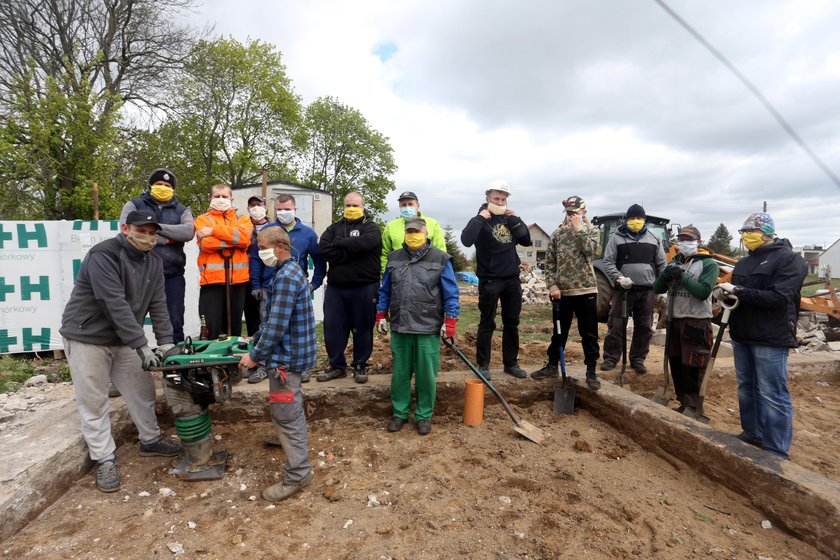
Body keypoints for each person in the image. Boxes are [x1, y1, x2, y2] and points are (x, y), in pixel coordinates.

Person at [60, 211, 183, 493]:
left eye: (153, 232)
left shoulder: (153, 261)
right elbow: (113, 303)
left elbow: (159, 304)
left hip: (123, 339)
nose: (148, 237)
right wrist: (141, 345)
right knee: (93, 401)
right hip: (86, 337)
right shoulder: (104, 255)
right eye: (142, 230)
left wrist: (165, 343)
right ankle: (104, 459)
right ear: (126, 228)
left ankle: (150, 440)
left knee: (142, 391)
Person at [717, 212, 807, 459]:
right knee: (746, 387)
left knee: (772, 392)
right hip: (742, 333)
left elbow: (779, 298)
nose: (746, 237)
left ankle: (776, 449)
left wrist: (739, 290)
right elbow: (740, 295)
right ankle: (752, 433)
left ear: (767, 233)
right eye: (743, 232)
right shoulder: (745, 262)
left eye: (750, 232)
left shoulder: (789, 260)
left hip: (770, 336)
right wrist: (726, 295)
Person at [239, 227, 317, 500]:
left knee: (286, 413)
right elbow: (272, 320)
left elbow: (277, 327)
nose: (260, 253)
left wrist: (254, 356)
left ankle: (298, 475)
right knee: (288, 410)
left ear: (280, 247)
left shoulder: (285, 278)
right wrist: (254, 338)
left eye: (262, 247)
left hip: (285, 358)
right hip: (291, 353)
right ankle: (287, 438)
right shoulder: (290, 271)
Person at [376, 217, 460, 435]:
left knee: (425, 375)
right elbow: (385, 289)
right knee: (400, 374)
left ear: (425, 233)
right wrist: (380, 314)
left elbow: (451, 293)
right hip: (401, 326)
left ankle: (423, 415)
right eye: (409, 231)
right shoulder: (394, 258)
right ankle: (399, 413)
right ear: (404, 233)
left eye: (416, 231)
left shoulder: (441, 259)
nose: (413, 235)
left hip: (427, 326)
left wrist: (450, 321)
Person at [248, 193, 326, 383]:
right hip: (269, 287)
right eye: (280, 209)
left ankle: (299, 367)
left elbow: (319, 261)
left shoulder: (307, 233)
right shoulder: (267, 230)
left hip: (291, 286)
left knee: (292, 328)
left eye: (287, 209)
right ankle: (264, 366)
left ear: (295, 209)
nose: (283, 212)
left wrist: (313, 284)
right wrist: (256, 285)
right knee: (267, 324)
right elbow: (256, 259)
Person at [460, 179, 531, 379]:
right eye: (496, 198)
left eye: (503, 199)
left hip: (511, 280)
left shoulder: (509, 219)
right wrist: (481, 218)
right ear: (488, 198)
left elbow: (526, 240)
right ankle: (483, 365)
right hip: (490, 280)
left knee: (512, 322)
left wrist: (518, 219)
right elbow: (466, 240)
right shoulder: (480, 219)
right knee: (487, 323)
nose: (500, 202)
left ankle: (511, 364)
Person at [531, 196, 601, 389]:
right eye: (569, 213)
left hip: (586, 289)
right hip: (563, 293)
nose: (572, 216)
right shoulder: (558, 234)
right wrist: (552, 286)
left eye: (575, 212)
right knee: (559, 333)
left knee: (589, 333)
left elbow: (592, 251)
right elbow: (550, 263)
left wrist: (579, 228)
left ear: (584, 212)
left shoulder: (592, 231)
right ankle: (553, 364)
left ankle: (591, 370)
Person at [119, 168, 194, 344]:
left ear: (173, 189)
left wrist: (150, 228)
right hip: (137, 273)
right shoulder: (134, 204)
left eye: (167, 185)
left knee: (174, 322)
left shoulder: (182, 209)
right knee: (131, 320)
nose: (163, 187)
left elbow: (188, 232)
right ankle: (128, 360)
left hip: (172, 275)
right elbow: (126, 232)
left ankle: (174, 363)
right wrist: (168, 239)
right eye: (159, 184)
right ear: (150, 186)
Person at [317, 191, 382, 384]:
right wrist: (352, 251)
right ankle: (336, 366)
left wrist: (341, 244)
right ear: (343, 207)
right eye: (348, 205)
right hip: (337, 288)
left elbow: (367, 243)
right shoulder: (334, 228)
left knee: (363, 328)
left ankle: (360, 365)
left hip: (365, 287)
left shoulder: (371, 227)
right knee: (333, 328)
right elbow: (324, 249)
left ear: (362, 206)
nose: (351, 209)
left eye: (355, 205)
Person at [653, 225, 719, 413]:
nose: (685, 243)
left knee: (693, 365)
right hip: (675, 320)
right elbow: (657, 289)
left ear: (698, 242)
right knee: (676, 363)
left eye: (689, 240)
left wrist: (682, 276)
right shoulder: (674, 262)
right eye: (681, 239)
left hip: (696, 321)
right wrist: (665, 274)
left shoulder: (708, 264)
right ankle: (683, 402)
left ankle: (694, 407)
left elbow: (703, 291)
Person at [601, 203, 666, 374]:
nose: (635, 221)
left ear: (644, 220)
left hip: (647, 290)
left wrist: (661, 286)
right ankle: (611, 357)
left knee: (644, 326)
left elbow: (662, 265)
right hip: (623, 290)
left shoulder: (653, 239)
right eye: (632, 218)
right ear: (627, 220)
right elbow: (608, 261)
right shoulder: (616, 238)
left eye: (639, 218)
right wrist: (618, 277)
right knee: (616, 324)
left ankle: (637, 358)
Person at [193, 184, 252, 340]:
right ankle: (211, 362)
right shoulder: (202, 219)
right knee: (211, 329)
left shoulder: (243, 219)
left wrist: (213, 231)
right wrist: (234, 240)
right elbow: (206, 244)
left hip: (238, 283)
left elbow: (245, 239)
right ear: (210, 198)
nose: (221, 199)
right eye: (217, 196)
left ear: (231, 199)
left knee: (234, 329)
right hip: (212, 282)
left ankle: (231, 362)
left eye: (224, 197)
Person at [380, 190, 446, 273]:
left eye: (410, 204)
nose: (407, 207)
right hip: (398, 275)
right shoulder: (391, 226)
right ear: (400, 207)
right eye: (403, 205)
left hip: (428, 275)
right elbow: (384, 254)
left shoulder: (433, 224)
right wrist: (386, 274)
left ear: (417, 206)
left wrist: (439, 274)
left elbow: (441, 251)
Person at [243, 195, 271, 337]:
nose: (256, 208)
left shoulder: (273, 227)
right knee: (251, 317)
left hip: (268, 277)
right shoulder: (242, 226)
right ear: (248, 208)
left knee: (268, 316)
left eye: (259, 204)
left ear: (265, 207)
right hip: (247, 277)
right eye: (252, 205)